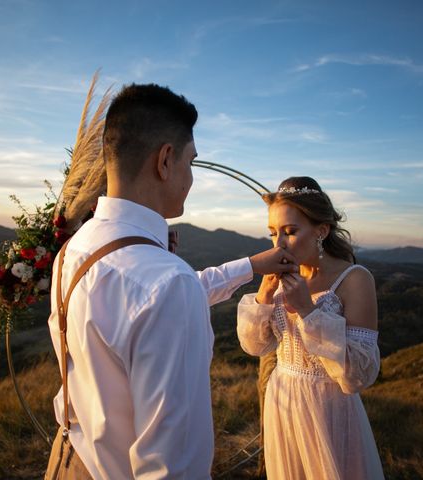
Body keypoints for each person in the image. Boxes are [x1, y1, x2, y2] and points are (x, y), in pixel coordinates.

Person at [47, 84, 297, 479]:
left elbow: (160, 295)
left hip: (67, 460)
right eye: (191, 162)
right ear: (165, 160)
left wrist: (251, 265)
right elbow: (171, 467)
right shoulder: (166, 284)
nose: (191, 176)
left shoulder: (72, 251)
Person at [237, 176, 384, 479]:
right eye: (272, 233)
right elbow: (255, 347)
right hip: (282, 401)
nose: (278, 244)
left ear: (321, 231)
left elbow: (359, 374)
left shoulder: (355, 279)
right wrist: (264, 297)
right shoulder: (280, 275)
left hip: (328, 410)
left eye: (290, 232)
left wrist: (307, 310)